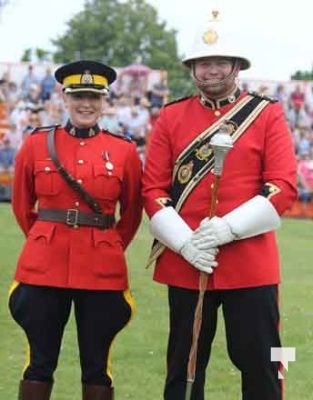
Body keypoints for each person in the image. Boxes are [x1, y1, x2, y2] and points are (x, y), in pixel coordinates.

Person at [142, 11, 297, 400]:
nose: (211, 70)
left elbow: (282, 186)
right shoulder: (171, 115)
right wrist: (184, 243)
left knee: (266, 360)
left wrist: (226, 229)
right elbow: (153, 189)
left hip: (250, 261)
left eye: (219, 62)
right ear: (193, 68)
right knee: (184, 365)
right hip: (187, 261)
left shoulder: (267, 113)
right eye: (203, 63)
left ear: (236, 66)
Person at [9, 60, 143, 400]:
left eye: (94, 97)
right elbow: (22, 204)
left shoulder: (124, 150)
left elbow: (131, 213)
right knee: (38, 362)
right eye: (78, 95)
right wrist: (44, 238)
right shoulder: (36, 144)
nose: (86, 104)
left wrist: (107, 243)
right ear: (64, 98)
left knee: (97, 365)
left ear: (105, 101)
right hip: (44, 266)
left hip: (101, 269)